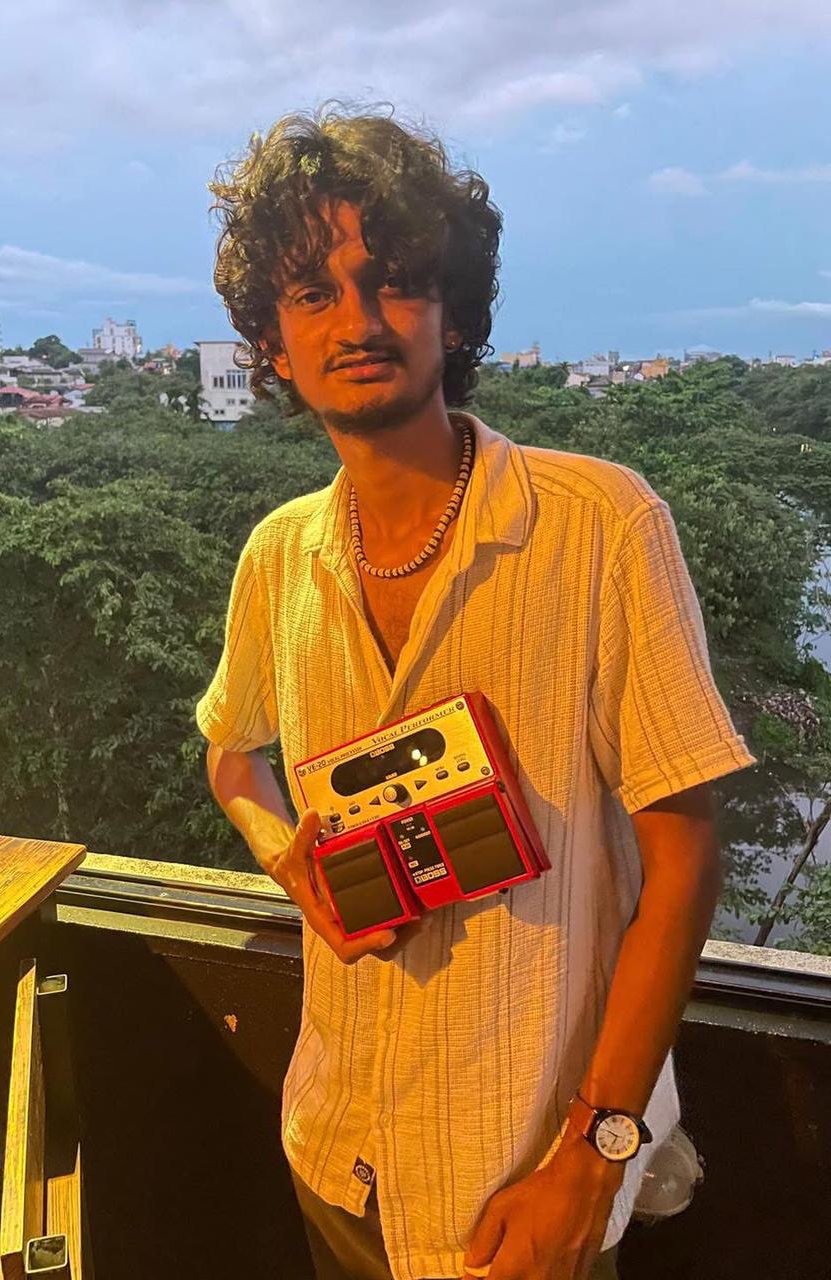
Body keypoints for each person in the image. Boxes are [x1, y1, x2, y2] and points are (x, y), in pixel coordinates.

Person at [196, 102, 755, 1280]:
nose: (358, 321)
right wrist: (291, 857)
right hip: (336, 1146)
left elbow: (684, 858)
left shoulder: (602, 525)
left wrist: (593, 1156)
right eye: (313, 292)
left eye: (395, 282)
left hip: (519, 1188)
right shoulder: (279, 556)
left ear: (453, 315)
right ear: (272, 343)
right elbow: (231, 751)